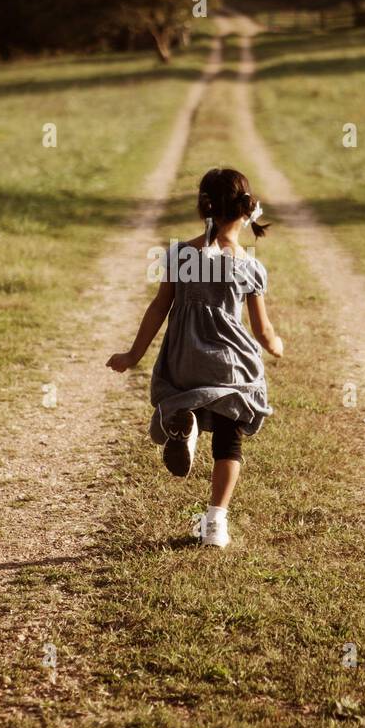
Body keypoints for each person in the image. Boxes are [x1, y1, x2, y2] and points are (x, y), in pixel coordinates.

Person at [107, 167, 283, 547]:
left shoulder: (179, 255)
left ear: (202, 207)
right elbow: (262, 330)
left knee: (184, 394)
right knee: (228, 438)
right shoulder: (250, 266)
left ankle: (183, 431)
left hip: (185, 358)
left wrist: (133, 354)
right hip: (230, 361)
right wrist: (275, 344)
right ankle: (216, 522)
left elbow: (158, 308)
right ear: (245, 210)